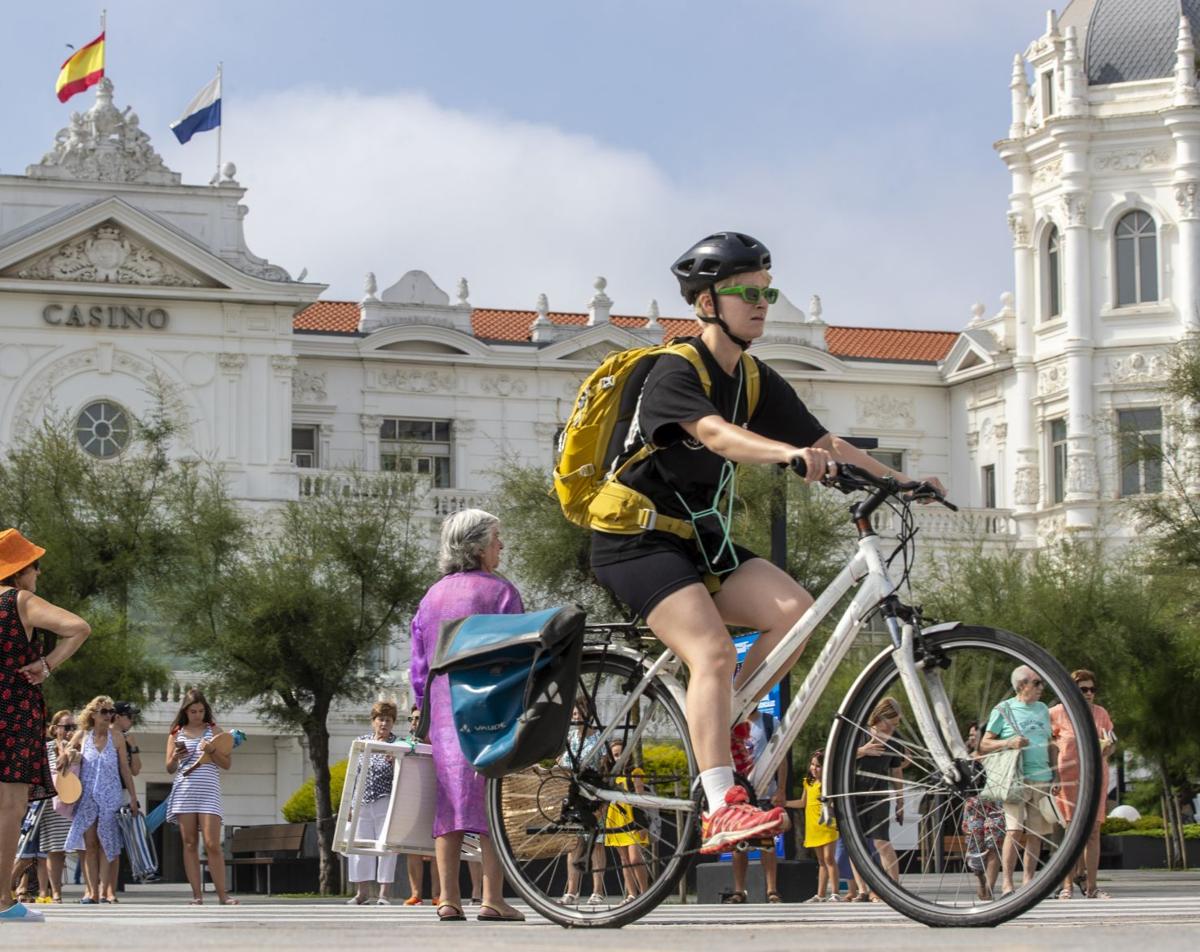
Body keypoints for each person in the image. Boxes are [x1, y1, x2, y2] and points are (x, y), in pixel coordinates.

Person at [588, 233, 945, 853]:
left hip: (698, 538)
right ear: (705, 302)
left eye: (766, 292)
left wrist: (902, 480)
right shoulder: (675, 369)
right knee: (715, 651)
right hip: (633, 538)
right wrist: (786, 455)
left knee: (795, 614)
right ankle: (722, 803)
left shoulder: (753, 376)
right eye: (746, 293)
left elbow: (826, 442)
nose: (761, 303)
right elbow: (715, 434)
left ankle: (725, 725)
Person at [409, 508, 525, 922]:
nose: (501, 546)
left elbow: (418, 663)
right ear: (477, 547)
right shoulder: (501, 592)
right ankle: (493, 897)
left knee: (449, 804)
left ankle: (447, 897)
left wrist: (422, 707)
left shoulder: (432, 596)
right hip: (491, 709)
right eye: (496, 539)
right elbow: (519, 651)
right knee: (492, 802)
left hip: (443, 712)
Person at [0, 529, 90, 923]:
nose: (38, 574)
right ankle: (2, 901)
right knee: (9, 806)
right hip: (12, 710)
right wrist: (47, 664)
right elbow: (78, 627)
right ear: (21, 571)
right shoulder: (20, 601)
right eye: (35, 566)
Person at [980, 665, 1057, 897]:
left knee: (1036, 833)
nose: (1041, 687)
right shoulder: (1003, 710)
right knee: (1013, 831)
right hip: (1015, 779)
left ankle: (1029, 881)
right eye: (1037, 683)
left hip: (1042, 778)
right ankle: (1007, 883)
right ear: (1022, 685)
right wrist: (1008, 743)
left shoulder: (1043, 709)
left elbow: (1051, 742)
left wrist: (1056, 774)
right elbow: (984, 744)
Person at [63, 695, 138, 904]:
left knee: (107, 843)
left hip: (111, 795)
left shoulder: (117, 737)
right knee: (90, 844)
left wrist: (133, 796)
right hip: (86, 796)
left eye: (110, 711)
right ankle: (90, 891)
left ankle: (106, 891)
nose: (108, 715)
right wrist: (68, 752)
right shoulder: (83, 735)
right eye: (104, 712)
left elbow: (125, 768)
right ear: (93, 715)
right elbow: (65, 753)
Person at [166, 689, 237, 906]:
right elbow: (169, 768)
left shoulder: (214, 730)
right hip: (185, 790)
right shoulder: (176, 733)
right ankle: (197, 895)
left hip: (208, 791)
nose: (197, 715)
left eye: (200, 710)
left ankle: (223, 895)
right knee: (189, 843)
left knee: (212, 843)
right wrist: (176, 757)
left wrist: (213, 750)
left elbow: (226, 764)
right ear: (185, 711)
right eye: (193, 711)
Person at [1050, 669, 1115, 900]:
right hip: (1067, 777)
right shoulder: (1056, 713)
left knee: (1093, 831)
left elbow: (1112, 743)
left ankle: (1091, 886)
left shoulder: (1101, 714)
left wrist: (1108, 747)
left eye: (1092, 689)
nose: (1088, 694)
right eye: (1083, 689)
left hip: (1096, 776)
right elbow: (1047, 743)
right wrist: (1053, 774)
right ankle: (1066, 886)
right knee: (1070, 831)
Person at [727, 710, 787, 903]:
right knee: (739, 844)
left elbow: (781, 757)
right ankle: (739, 890)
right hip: (739, 792)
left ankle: (772, 890)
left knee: (767, 843)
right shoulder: (731, 721)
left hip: (766, 791)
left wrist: (782, 789)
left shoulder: (770, 722)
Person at [345, 700, 401, 905]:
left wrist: (396, 762)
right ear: (373, 721)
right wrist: (350, 804)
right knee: (359, 845)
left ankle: (384, 893)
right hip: (362, 800)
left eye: (388, 720)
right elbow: (354, 774)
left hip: (386, 800)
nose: (384, 724)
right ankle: (362, 892)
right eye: (380, 719)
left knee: (386, 846)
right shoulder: (362, 741)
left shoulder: (398, 745)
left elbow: (404, 775)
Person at [853, 697, 905, 897]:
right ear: (879, 717)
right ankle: (863, 890)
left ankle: (893, 888)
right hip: (853, 792)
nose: (893, 727)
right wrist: (862, 751)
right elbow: (836, 756)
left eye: (896, 724)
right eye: (890, 723)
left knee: (881, 841)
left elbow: (896, 771)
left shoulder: (895, 739)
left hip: (880, 794)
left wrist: (900, 801)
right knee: (855, 842)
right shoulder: (858, 733)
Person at [558, 698, 607, 905]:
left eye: (580, 714)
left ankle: (597, 891)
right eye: (574, 714)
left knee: (596, 843)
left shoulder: (599, 739)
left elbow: (605, 771)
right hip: (574, 795)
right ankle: (572, 891)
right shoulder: (569, 738)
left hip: (594, 795)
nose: (576, 718)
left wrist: (603, 803)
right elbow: (560, 764)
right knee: (574, 844)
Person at [788, 748, 839, 902]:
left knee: (829, 858)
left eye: (818, 766)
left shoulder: (829, 783)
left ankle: (835, 893)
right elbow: (803, 803)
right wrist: (784, 803)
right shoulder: (808, 783)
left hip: (827, 824)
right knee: (821, 861)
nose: (814, 768)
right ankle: (820, 894)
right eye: (812, 765)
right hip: (813, 826)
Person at [960, 722, 1004, 901]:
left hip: (995, 805)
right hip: (973, 808)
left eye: (975, 734)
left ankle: (990, 889)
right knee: (975, 850)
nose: (972, 738)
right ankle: (980, 879)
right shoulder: (966, 759)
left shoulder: (997, 758)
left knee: (993, 846)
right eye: (970, 735)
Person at [104, 700, 143, 900]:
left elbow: (134, 770)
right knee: (99, 843)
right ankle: (98, 888)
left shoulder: (126, 740)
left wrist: (134, 748)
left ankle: (111, 889)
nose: (132, 720)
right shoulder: (103, 736)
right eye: (129, 716)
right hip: (102, 794)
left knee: (116, 844)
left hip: (121, 792)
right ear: (117, 717)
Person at [602, 740, 649, 902]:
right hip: (615, 819)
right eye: (615, 755)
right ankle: (631, 894)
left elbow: (640, 799)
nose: (619, 757)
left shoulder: (634, 772)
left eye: (622, 753)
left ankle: (645, 892)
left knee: (635, 858)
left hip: (632, 818)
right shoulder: (609, 776)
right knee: (624, 860)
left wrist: (642, 823)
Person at [39, 710, 76, 902]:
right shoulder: (45, 749)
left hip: (75, 802)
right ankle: (56, 892)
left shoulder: (77, 747)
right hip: (52, 804)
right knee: (55, 849)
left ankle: (94, 891)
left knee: (81, 847)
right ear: (55, 729)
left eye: (73, 727)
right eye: (66, 727)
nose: (70, 731)